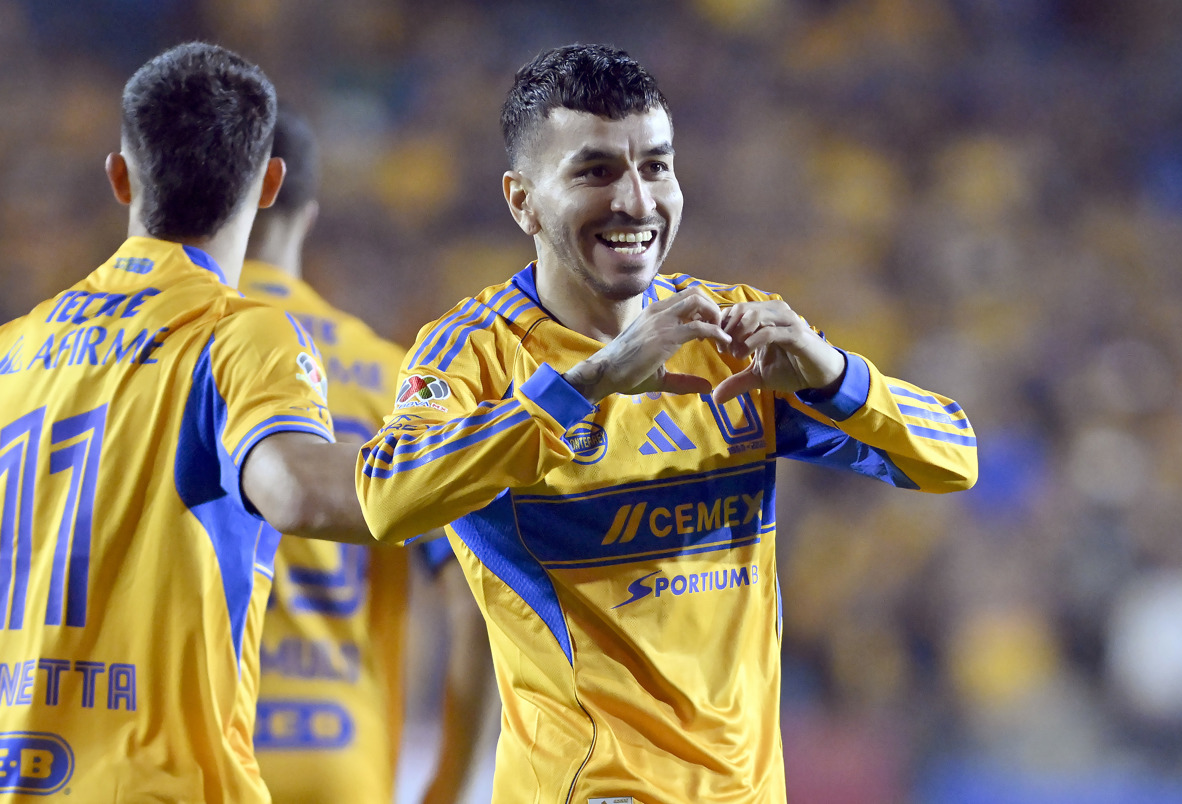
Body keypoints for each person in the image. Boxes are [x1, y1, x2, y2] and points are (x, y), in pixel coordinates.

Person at [356, 43, 977, 803]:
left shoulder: (730, 338)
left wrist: (835, 375)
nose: (637, 201)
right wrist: (590, 384)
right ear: (522, 201)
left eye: (655, 166)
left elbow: (953, 458)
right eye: (595, 172)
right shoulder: (474, 353)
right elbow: (388, 498)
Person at [0, 43, 368, 802]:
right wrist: (512, 435)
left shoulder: (14, 346)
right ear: (270, 185)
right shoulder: (236, 334)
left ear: (120, 176)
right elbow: (301, 496)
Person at [240, 107, 495, 804]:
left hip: (195, 750)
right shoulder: (391, 377)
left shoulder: (172, 359)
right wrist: (450, 779)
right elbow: (474, 600)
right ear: (306, 210)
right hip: (341, 758)